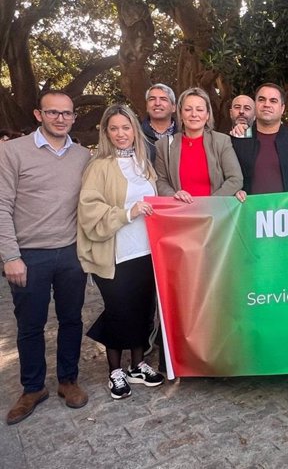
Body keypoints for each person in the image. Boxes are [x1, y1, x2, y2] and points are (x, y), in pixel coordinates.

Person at [0, 90, 91, 425]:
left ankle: (68, 380)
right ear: (39, 115)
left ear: (73, 117)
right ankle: (33, 387)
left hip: (71, 253)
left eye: (67, 113)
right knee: (29, 325)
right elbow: (2, 206)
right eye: (53, 113)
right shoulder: (13, 152)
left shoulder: (83, 156)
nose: (61, 119)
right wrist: (10, 255)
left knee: (71, 320)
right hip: (28, 255)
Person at [77, 104, 164, 400]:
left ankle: (137, 364)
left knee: (142, 308)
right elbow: (89, 210)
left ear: (134, 130)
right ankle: (115, 369)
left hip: (146, 250)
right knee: (118, 310)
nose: (120, 134)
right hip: (115, 253)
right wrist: (128, 213)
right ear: (106, 132)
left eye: (125, 127)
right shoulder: (99, 165)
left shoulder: (144, 163)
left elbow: (155, 199)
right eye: (113, 128)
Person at [155, 87, 243, 202]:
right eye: (188, 109)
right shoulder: (164, 145)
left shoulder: (221, 141)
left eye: (200, 110)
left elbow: (235, 179)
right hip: (180, 213)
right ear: (180, 114)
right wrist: (174, 195)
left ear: (207, 115)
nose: (194, 114)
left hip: (214, 213)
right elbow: (161, 181)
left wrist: (209, 204)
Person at [232, 83, 288, 200]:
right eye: (261, 99)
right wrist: (235, 191)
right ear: (255, 105)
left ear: (282, 108)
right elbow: (227, 177)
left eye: (273, 101)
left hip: (287, 213)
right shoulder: (239, 139)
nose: (266, 105)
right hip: (248, 213)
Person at [142, 83, 178, 161]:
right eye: (152, 99)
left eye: (163, 99)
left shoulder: (184, 135)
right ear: (147, 107)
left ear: (173, 107)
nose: (157, 103)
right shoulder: (136, 135)